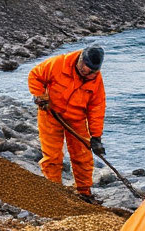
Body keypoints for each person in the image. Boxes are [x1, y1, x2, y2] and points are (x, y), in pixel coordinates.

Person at [27, 45, 106, 203]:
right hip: (50, 114)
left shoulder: (96, 81)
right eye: (86, 68)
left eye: (92, 71)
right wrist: (40, 96)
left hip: (76, 120)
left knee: (83, 157)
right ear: (80, 60)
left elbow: (96, 108)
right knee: (52, 156)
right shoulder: (58, 64)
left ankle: (84, 192)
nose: (88, 73)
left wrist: (96, 137)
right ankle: (55, 191)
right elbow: (35, 75)